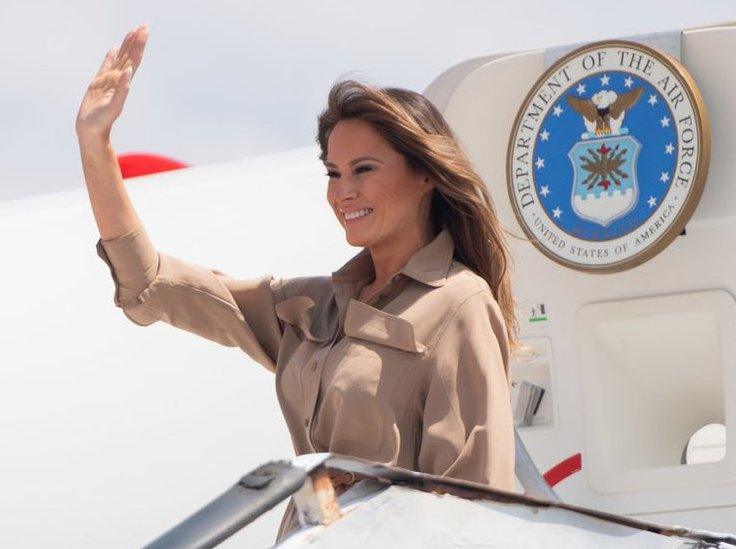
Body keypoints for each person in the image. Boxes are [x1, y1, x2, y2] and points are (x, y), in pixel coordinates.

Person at [76, 24, 519, 542]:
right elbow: (152, 283)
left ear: (426, 175)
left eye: (363, 169)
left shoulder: (460, 304)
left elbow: (476, 503)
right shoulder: (312, 306)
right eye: (333, 173)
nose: (343, 191)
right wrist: (95, 144)